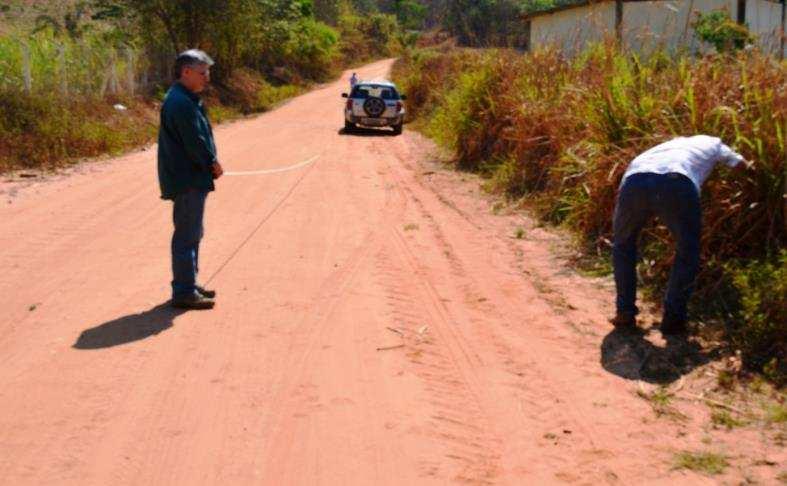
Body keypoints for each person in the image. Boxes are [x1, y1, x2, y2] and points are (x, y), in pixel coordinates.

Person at [609, 135, 747, 335]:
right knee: (687, 251)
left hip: (634, 181)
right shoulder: (714, 143)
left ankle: (624, 312)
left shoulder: (664, 146)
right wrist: (757, 175)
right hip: (677, 182)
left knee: (623, 245)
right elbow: (739, 164)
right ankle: (673, 319)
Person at [157, 49, 224, 309]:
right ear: (186, 72)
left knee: (194, 232)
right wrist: (211, 162)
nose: (206, 77)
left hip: (191, 177)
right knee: (186, 234)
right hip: (187, 179)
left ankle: (189, 283)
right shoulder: (180, 103)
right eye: (202, 72)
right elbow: (194, 143)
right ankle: (183, 291)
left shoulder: (186, 98)